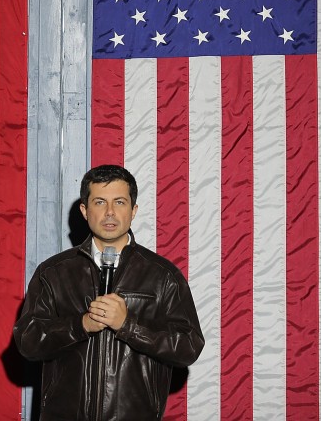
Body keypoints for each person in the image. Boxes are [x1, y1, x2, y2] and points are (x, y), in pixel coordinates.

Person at [13, 164, 204, 420]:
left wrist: (128, 325)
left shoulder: (162, 275)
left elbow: (188, 347)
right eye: (100, 202)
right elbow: (28, 342)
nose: (110, 212)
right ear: (85, 210)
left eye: (120, 202)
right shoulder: (54, 273)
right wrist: (80, 325)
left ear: (134, 210)